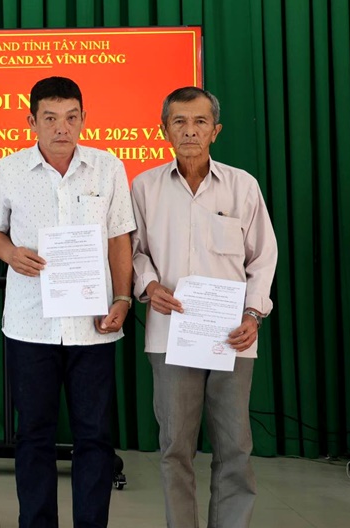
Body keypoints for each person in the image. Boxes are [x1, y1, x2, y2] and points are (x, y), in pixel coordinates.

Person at [0, 76, 135, 528]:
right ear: (31, 122)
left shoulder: (107, 167)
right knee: (33, 436)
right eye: (49, 118)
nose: (61, 127)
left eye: (70, 117)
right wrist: (10, 253)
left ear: (84, 119)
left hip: (93, 326)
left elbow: (119, 238)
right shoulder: (7, 170)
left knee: (95, 437)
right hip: (31, 327)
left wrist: (123, 297)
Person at [131, 87, 277, 528]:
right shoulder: (144, 187)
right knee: (175, 447)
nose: (189, 131)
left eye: (199, 122)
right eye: (179, 122)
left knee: (235, 447)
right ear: (164, 130)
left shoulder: (242, 185)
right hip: (170, 335)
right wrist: (148, 284)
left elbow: (263, 257)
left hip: (232, 337)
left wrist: (253, 314)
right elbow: (134, 251)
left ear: (216, 131)